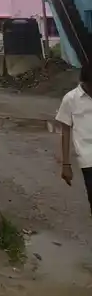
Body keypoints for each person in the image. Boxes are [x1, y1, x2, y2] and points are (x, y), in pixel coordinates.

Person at [55, 63, 92, 215]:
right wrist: (66, 164)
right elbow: (65, 131)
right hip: (88, 160)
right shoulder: (70, 99)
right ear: (84, 82)